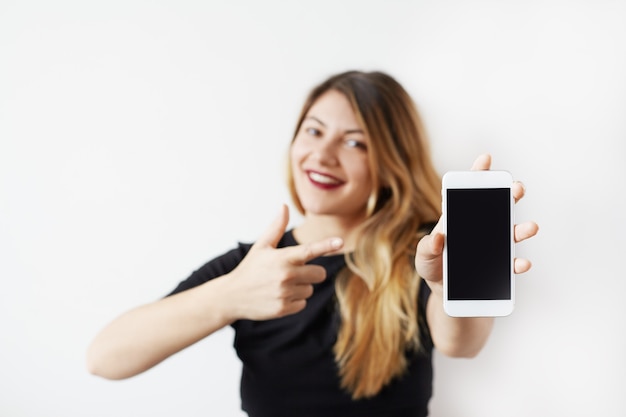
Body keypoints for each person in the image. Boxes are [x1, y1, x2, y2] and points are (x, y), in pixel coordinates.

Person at [86, 70, 539, 417]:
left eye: (355, 142)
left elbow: (462, 344)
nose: (322, 155)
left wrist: (448, 285)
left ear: (389, 163)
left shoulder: (423, 254)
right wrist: (230, 295)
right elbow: (105, 358)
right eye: (314, 130)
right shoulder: (253, 265)